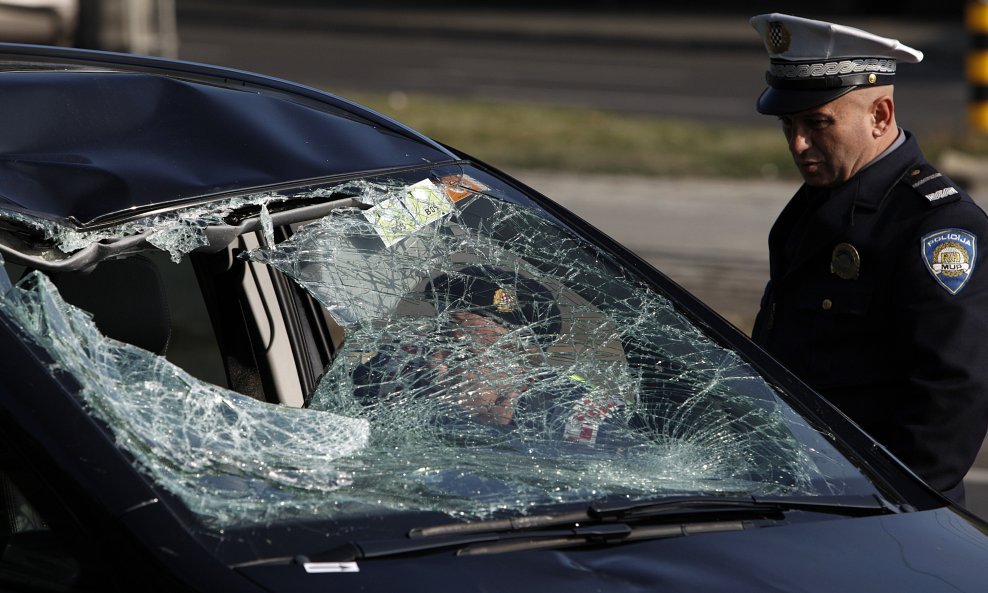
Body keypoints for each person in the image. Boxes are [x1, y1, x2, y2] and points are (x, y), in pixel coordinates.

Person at [749, 13, 988, 504]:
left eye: (817, 123)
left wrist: (892, 502)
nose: (797, 144)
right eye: (788, 124)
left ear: (880, 115)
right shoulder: (821, 199)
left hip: (877, 509)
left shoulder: (936, 227)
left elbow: (952, 393)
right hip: (804, 489)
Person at [350, 265, 631, 448]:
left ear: (520, 360)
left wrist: (502, 440)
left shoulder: (575, 416)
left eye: (461, 353)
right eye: (438, 340)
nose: (435, 361)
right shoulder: (395, 370)